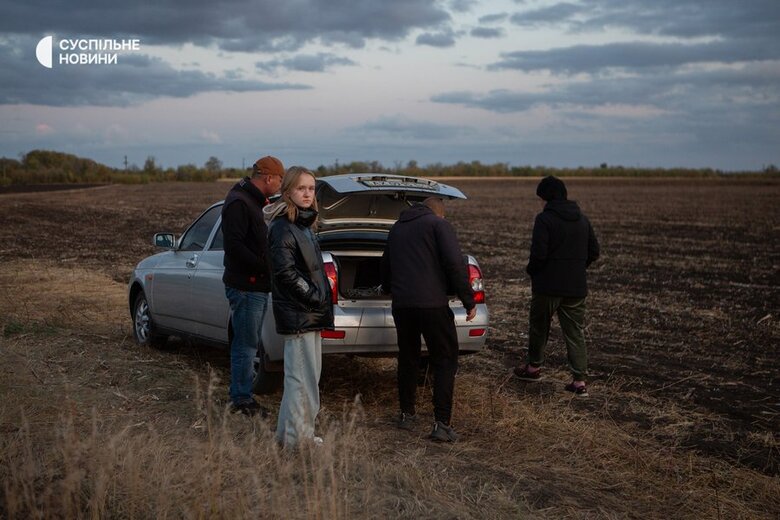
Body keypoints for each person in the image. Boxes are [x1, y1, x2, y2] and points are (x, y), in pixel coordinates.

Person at [381, 197, 476, 442]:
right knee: (445, 360)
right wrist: (468, 301)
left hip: (402, 305)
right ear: (439, 213)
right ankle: (442, 424)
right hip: (432, 305)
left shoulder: (397, 228)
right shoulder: (438, 225)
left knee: (408, 357)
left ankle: (406, 414)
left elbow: (386, 265)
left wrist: (387, 289)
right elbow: (454, 264)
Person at [514, 176, 600, 397]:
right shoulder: (582, 219)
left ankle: (533, 368)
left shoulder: (544, 220)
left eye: (540, 198)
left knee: (539, 327)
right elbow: (594, 252)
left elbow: (539, 254)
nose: (539, 202)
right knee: (575, 333)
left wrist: (532, 271)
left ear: (546, 197)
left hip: (547, 286)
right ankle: (579, 381)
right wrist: (577, 268)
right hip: (576, 287)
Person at [267, 166, 334, 447]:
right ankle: (299, 441)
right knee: (302, 381)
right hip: (300, 314)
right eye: (301, 188)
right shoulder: (284, 228)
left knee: (304, 378)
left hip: (309, 314)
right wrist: (315, 297)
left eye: (311, 188)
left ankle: (288, 435)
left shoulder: (303, 226)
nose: (307, 194)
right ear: (288, 192)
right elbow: (286, 274)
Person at [221, 155, 285, 416]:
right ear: (268, 178)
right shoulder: (239, 203)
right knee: (246, 345)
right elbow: (234, 247)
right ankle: (242, 399)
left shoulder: (253, 201)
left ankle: (240, 393)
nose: (281, 185)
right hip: (246, 287)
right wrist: (266, 267)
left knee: (247, 342)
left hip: (255, 285)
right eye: (280, 180)